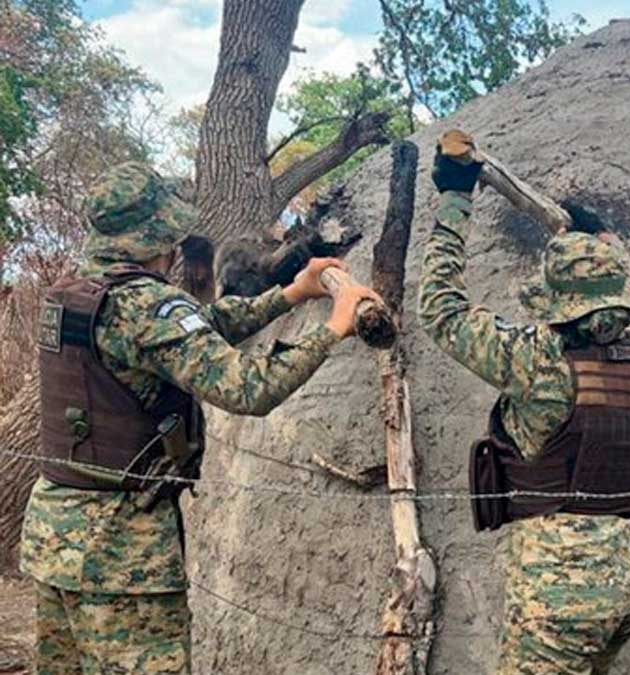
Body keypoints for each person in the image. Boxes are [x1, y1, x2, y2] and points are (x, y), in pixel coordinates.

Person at [21, 161, 381, 674]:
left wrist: (289, 295)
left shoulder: (77, 294)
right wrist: (334, 329)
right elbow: (250, 389)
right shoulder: (147, 306)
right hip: (123, 556)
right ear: (157, 234)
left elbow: (196, 331)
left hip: (53, 538)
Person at [419, 137, 630, 674]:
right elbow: (624, 289)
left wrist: (455, 200)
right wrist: (596, 237)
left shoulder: (537, 359)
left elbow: (440, 309)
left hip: (557, 592)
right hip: (627, 574)